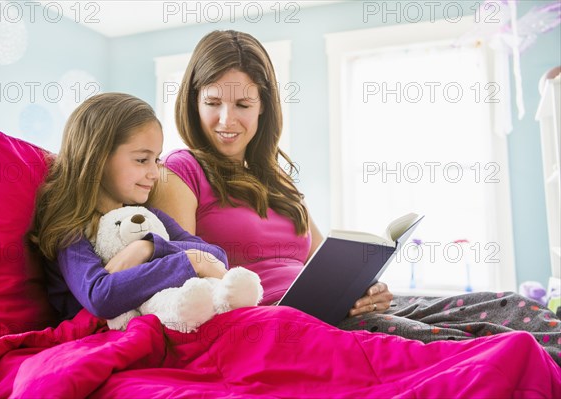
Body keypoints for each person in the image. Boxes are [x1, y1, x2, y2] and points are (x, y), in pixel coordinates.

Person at [152, 30, 393, 317]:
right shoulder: (180, 170)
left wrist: (362, 291)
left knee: (458, 314)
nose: (226, 119)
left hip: (323, 315)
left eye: (242, 104)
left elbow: (321, 260)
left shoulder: (276, 176)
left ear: (263, 105)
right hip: (263, 323)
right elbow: (176, 281)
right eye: (213, 102)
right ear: (194, 102)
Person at [29, 92, 228, 321]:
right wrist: (189, 261)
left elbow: (217, 257)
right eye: (142, 160)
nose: (154, 173)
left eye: (157, 160)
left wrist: (150, 248)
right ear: (98, 158)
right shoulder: (71, 228)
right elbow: (101, 296)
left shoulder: (147, 216)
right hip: (98, 339)